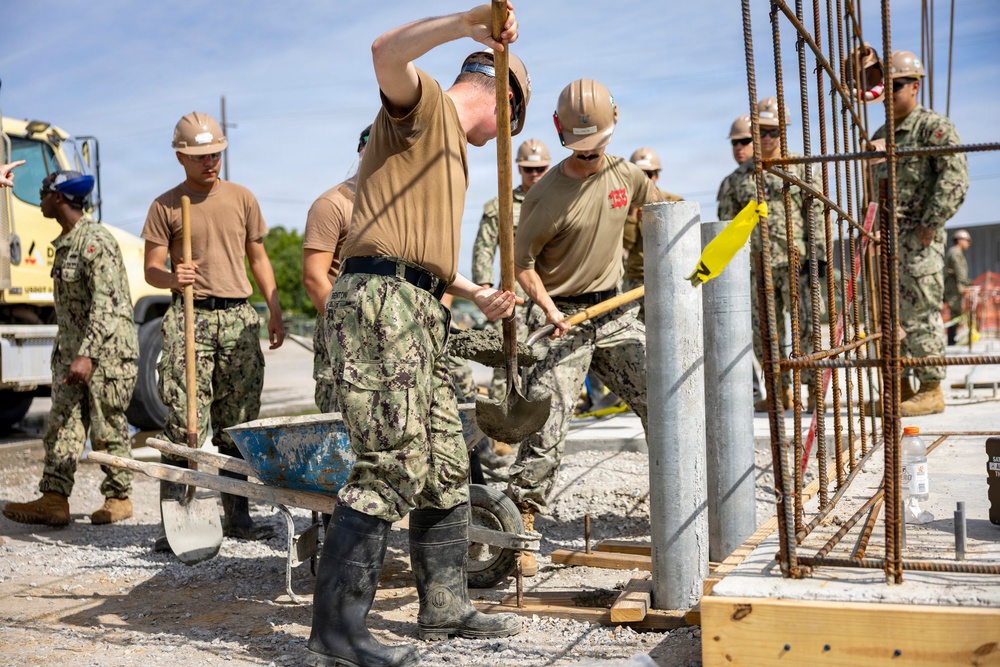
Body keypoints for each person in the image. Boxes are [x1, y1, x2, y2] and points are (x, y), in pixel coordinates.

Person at [307, 5, 528, 665]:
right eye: (509, 125)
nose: (503, 140)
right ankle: (337, 636)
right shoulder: (426, 105)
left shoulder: (449, 148)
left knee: (444, 463)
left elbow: (417, 250)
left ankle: (445, 605)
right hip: (384, 306)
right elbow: (384, 51)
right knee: (392, 463)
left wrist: (473, 292)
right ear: (502, 100)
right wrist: (466, 22)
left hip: (421, 302)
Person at [507, 78, 661, 577]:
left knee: (662, 404)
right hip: (563, 319)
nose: (592, 157)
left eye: (597, 147)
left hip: (615, 312)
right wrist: (549, 310)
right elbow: (521, 265)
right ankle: (521, 529)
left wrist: (658, 264)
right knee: (546, 430)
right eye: (582, 149)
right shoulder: (545, 196)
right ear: (558, 130)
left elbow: (657, 211)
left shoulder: (628, 176)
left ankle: (675, 504)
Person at [142, 111, 285, 553]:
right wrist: (172, 277)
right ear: (182, 156)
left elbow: (258, 258)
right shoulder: (166, 205)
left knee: (238, 421)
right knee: (185, 417)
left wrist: (274, 307)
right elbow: (151, 268)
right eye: (202, 155)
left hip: (239, 316)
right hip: (191, 317)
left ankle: (237, 514)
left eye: (217, 153)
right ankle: (176, 519)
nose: (211, 162)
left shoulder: (242, 198)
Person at [2, 171, 138, 527]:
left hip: (105, 353)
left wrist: (87, 354)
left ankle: (118, 497)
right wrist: (73, 354)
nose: (40, 199)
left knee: (107, 426)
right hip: (74, 352)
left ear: (58, 198)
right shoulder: (65, 243)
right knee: (62, 424)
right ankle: (54, 498)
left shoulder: (94, 240)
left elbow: (109, 304)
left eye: (43, 193)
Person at [873, 50, 969, 415]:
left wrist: (930, 224)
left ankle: (930, 388)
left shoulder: (933, 127)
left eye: (897, 85)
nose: (890, 92)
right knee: (887, 314)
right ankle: (898, 385)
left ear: (915, 86)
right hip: (887, 239)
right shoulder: (883, 134)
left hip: (918, 240)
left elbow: (955, 178)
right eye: (886, 86)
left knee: (919, 312)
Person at [717, 98, 827, 413]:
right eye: (760, 133)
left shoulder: (802, 170)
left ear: (784, 132)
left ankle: (812, 392)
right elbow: (728, 229)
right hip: (758, 269)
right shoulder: (737, 181)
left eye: (773, 132)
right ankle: (779, 393)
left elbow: (817, 214)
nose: (766, 140)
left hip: (799, 265)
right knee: (766, 333)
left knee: (807, 329)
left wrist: (817, 259)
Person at [472, 138, 550, 404]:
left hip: (550, 294)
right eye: (529, 169)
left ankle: (538, 417)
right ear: (519, 168)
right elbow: (483, 247)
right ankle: (502, 426)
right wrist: (483, 289)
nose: (535, 174)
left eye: (540, 168)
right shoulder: (501, 206)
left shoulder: (558, 201)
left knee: (547, 359)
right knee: (507, 359)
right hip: (514, 295)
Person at [302, 124, 371, 412]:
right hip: (343, 331)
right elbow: (314, 277)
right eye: (374, 147)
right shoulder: (332, 204)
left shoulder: (398, 208)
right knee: (339, 425)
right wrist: (348, 327)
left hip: (390, 331)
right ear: (361, 150)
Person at [622, 146, 683, 323]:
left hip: (667, 278)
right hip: (636, 280)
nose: (644, 180)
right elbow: (626, 243)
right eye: (638, 175)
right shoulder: (621, 207)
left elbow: (680, 242)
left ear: (656, 176)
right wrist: (634, 214)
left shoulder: (673, 202)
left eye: (648, 175)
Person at [944, 229, 972, 345]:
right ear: (960, 240)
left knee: (956, 312)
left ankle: (952, 339)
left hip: (954, 286)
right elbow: (960, 271)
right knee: (955, 312)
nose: (968, 244)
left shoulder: (955, 252)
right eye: (967, 241)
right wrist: (964, 286)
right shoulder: (955, 252)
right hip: (954, 287)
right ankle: (951, 340)